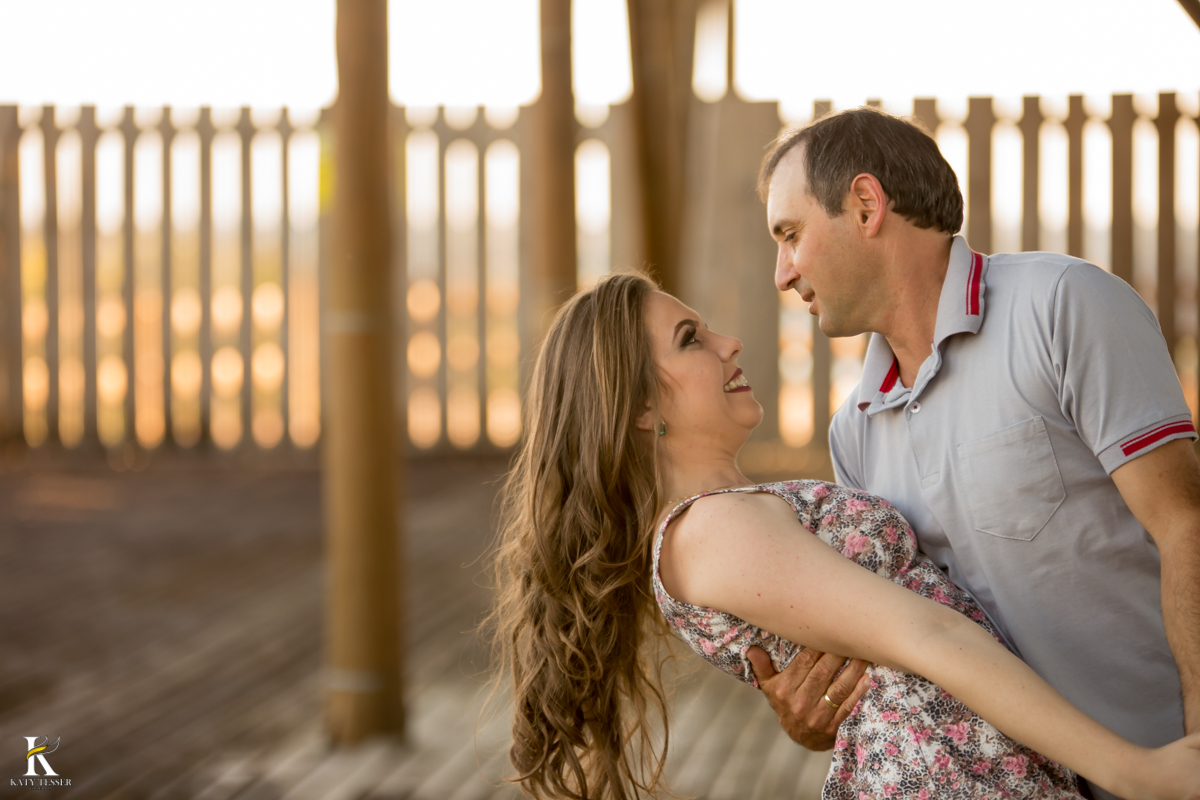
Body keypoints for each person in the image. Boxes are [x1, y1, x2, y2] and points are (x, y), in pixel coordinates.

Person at [486, 271, 1200, 800]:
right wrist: (1137, 772)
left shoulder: (730, 515)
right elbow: (927, 637)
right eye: (690, 340)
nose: (728, 342)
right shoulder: (710, 531)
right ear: (642, 406)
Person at [753, 107, 1200, 800]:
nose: (782, 273)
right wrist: (820, 714)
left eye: (791, 235)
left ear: (866, 205)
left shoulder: (1062, 306)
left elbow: (1186, 523)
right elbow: (905, 643)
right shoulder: (856, 431)